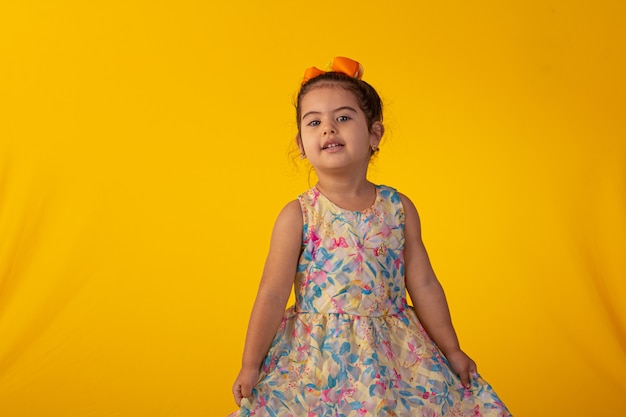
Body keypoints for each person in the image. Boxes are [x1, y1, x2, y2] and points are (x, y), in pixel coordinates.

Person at [229, 57, 511, 416]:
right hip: (317, 359)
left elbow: (423, 284)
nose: (328, 129)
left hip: (393, 354)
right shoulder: (298, 215)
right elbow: (271, 292)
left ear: (374, 134)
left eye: (343, 118)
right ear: (301, 143)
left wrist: (452, 349)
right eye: (314, 122)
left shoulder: (398, 208)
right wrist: (251, 363)